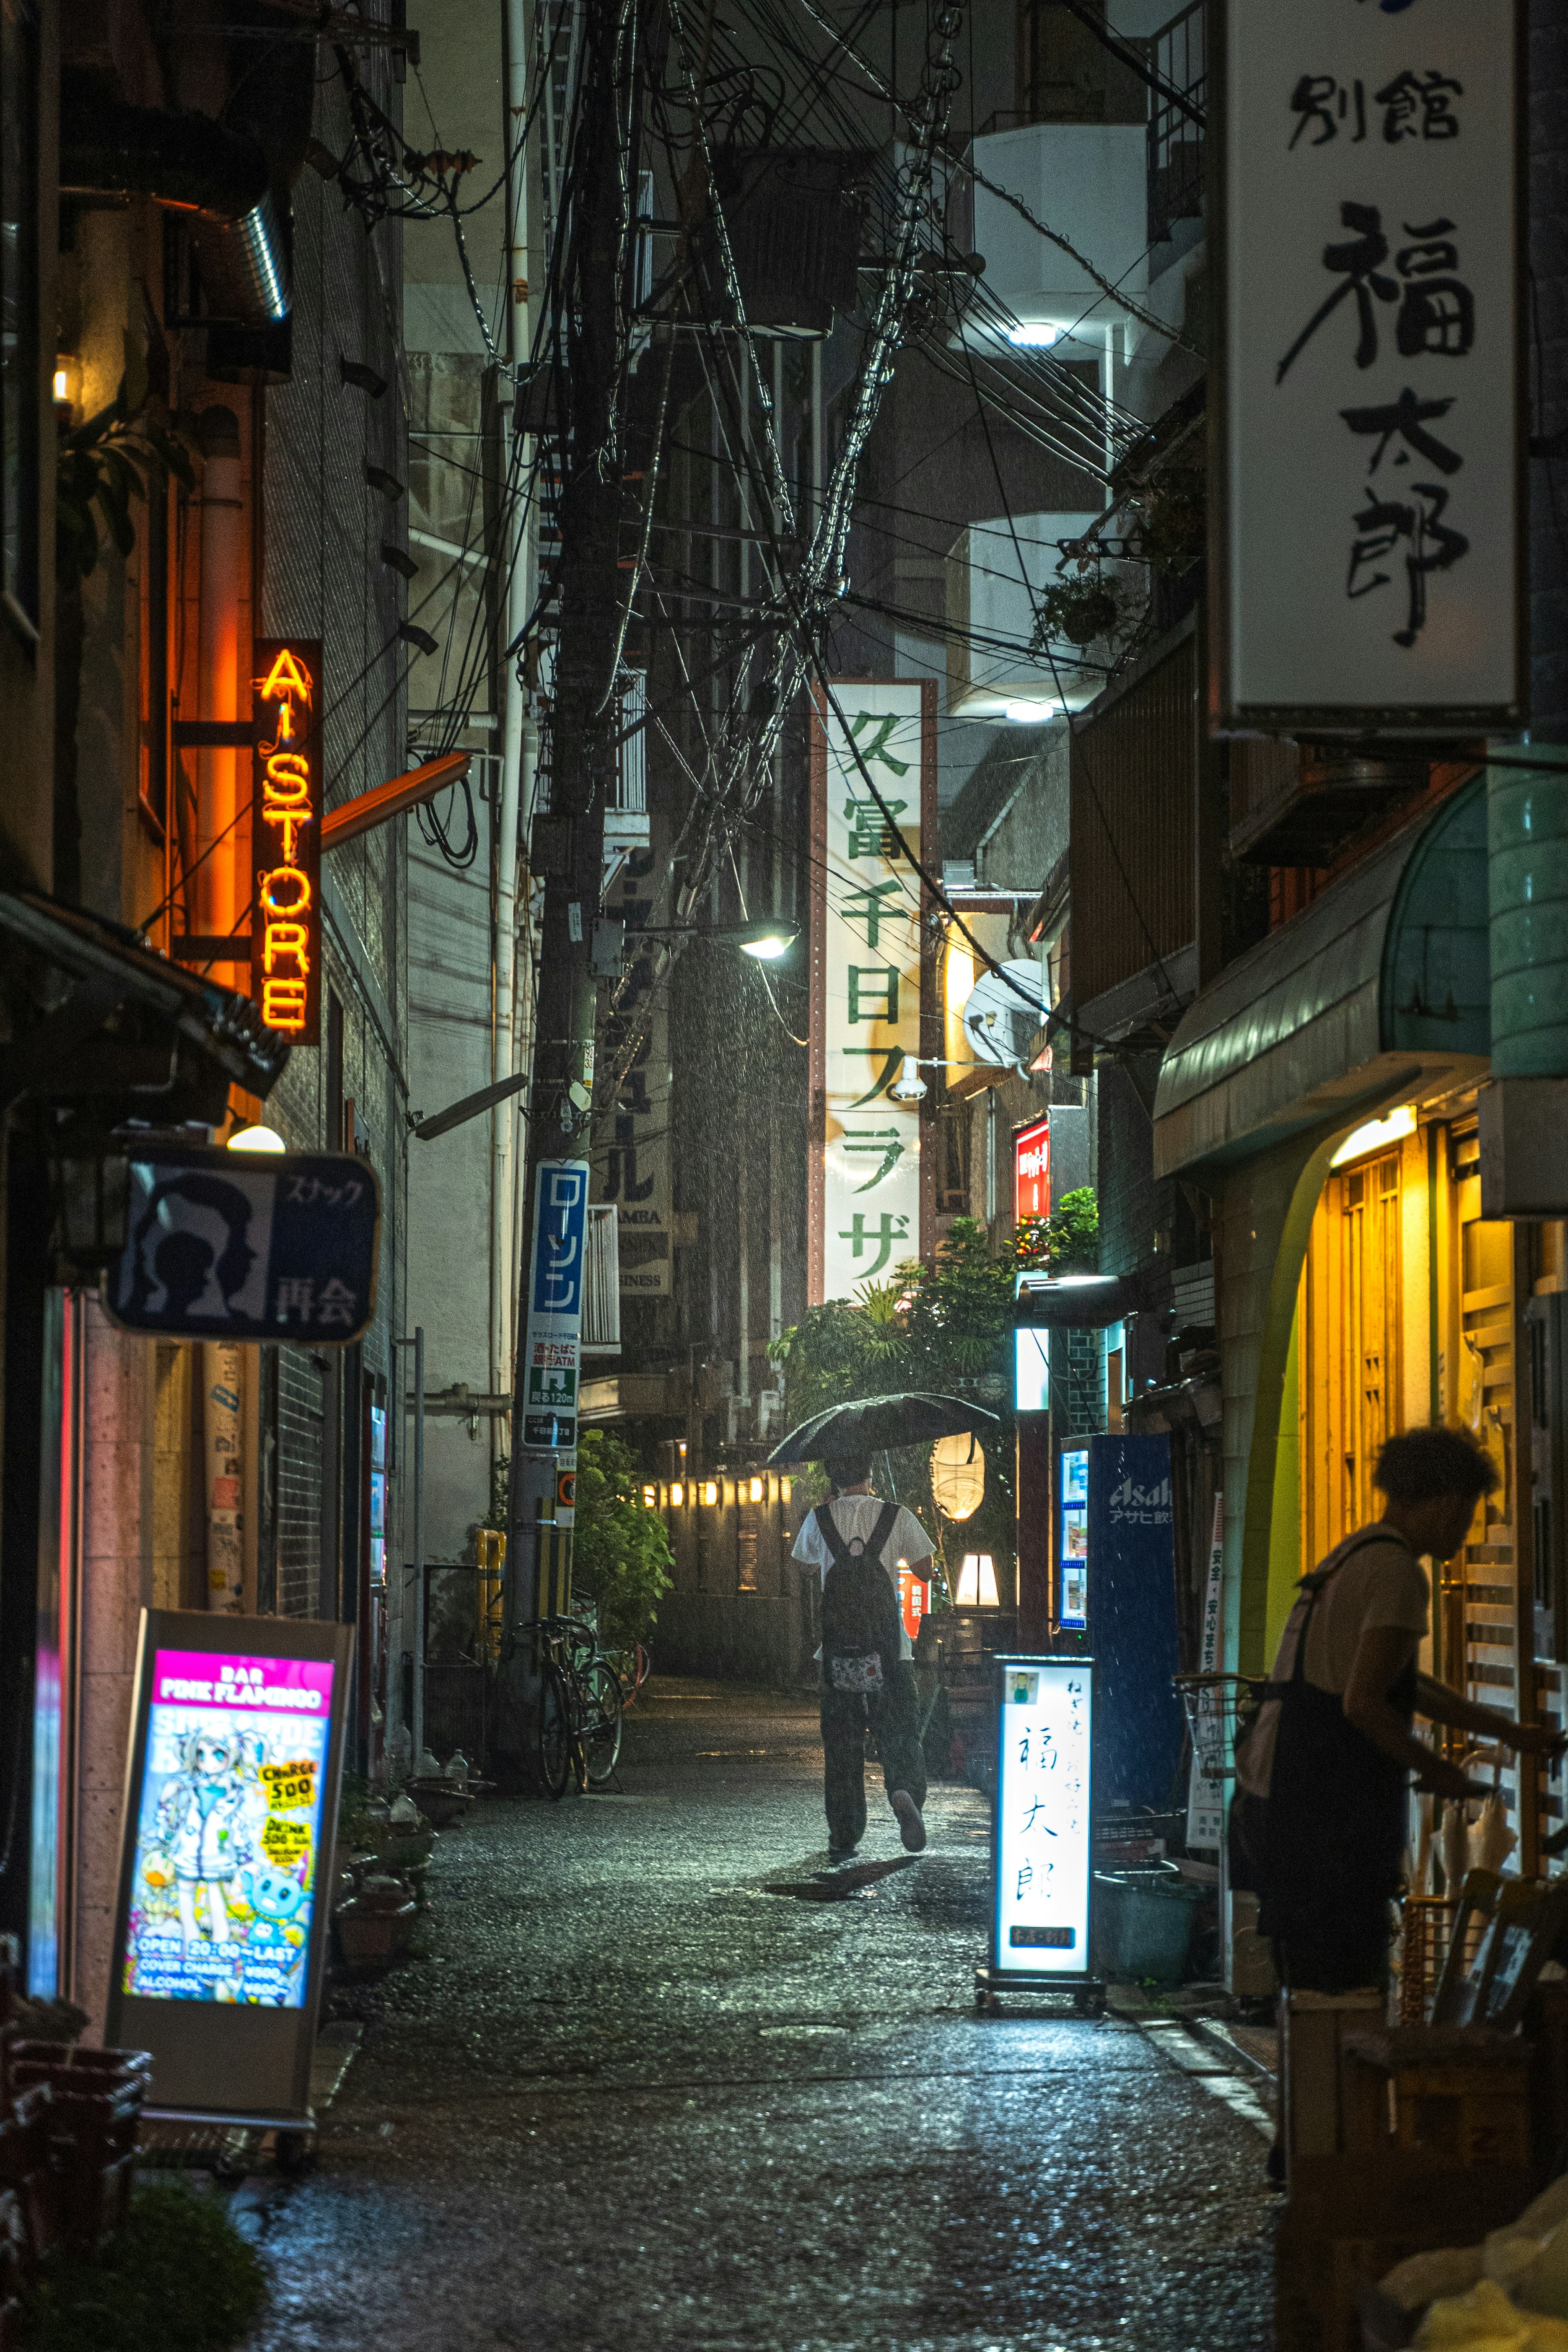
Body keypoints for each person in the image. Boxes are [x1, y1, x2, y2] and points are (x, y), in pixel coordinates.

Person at [1235, 1423, 1562, 1998]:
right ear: (1441, 1502)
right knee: (1339, 1991)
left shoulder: (1355, 1554)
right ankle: (1332, 2090)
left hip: (1279, 1805)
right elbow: (1364, 1702)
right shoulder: (1397, 1572)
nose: (1470, 1524)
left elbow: (1403, 1685)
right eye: (1468, 1509)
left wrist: (1508, 1731)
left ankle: (1316, 2086)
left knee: (1314, 1989)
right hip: (1322, 1820)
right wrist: (1434, 1768)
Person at [792, 1455, 935, 1862]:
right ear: (870, 1474)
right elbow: (925, 1571)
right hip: (891, 1653)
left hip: (839, 1655)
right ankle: (904, 1790)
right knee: (901, 1731)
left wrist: (826, 1518)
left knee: (842, 1742)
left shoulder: (819, 1518)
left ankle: (845, 1829)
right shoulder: (896, 1514)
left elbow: (802, 1568)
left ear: (833, 1479)